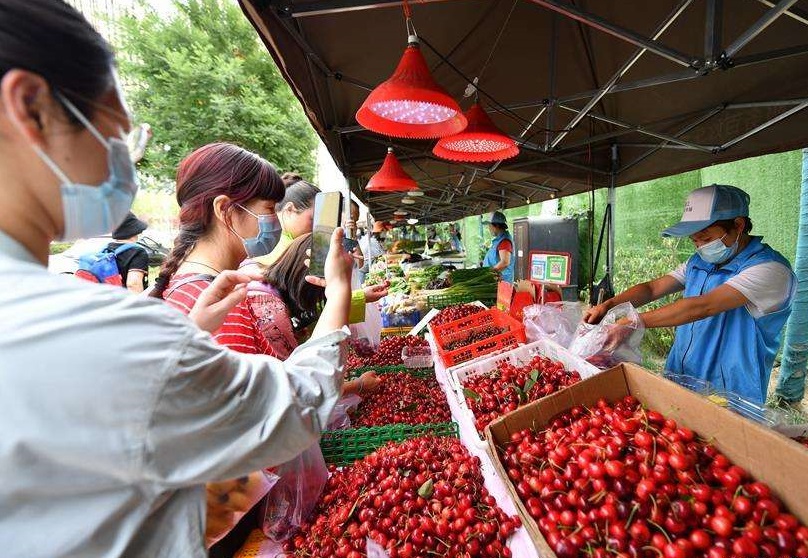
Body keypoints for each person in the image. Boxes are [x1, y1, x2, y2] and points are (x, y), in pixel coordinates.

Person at [0, 3, 354, 556]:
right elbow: (292, 410)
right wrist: (339, 294)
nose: (127, 164)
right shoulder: (99, 329)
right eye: (118, 135)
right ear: (31, 107)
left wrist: (187, 335)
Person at [585, 184, 795, 404]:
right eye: (694, 240)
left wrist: (632, 322)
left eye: (706, 239)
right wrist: (608, 305)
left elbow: (702, 307)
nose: (700, 247)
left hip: (730, 393)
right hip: (681, 377)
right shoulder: (699, 262)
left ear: (739, 225)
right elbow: (652, 289)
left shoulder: (770, 269)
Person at [150, 142, 286, 355]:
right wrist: (336, 293)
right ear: (224, 209)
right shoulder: (219, 308)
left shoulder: (190, 286)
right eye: (270, 208)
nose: (276, 219)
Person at [108, 211, 149, 293]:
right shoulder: (137, 252)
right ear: (135, 231)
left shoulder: (107, 249)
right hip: (125, 299)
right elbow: (133, 284)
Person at [482, 211, 515, 283]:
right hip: (494, 281)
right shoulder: (499, 240)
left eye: (490, 225)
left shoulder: (504, 241)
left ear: (496, 225)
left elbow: (505, 262)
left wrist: (488, 275)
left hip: (501, 282)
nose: (489, 228)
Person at [358, 220, 388, 284]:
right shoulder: (372, 241)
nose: (385, 234)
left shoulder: (373, 239)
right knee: (363, 286)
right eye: (384, 232)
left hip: (367, 267)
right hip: (364, 269)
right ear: (380, 232)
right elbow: (381, 255)